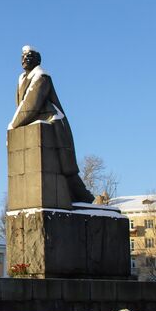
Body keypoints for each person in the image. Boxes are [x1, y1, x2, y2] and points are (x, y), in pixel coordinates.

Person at [8, 46, 93, 204]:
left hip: (52, 125)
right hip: (36, 127)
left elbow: (31, 105)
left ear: (38, 60)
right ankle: (84, 200)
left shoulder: (42, 76)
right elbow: (21, 106)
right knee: (65, 174)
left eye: (30, 56)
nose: (25, 59)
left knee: (66, 170)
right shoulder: (21, 79)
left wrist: (13, 127)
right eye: (23, 56)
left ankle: (87, 201)